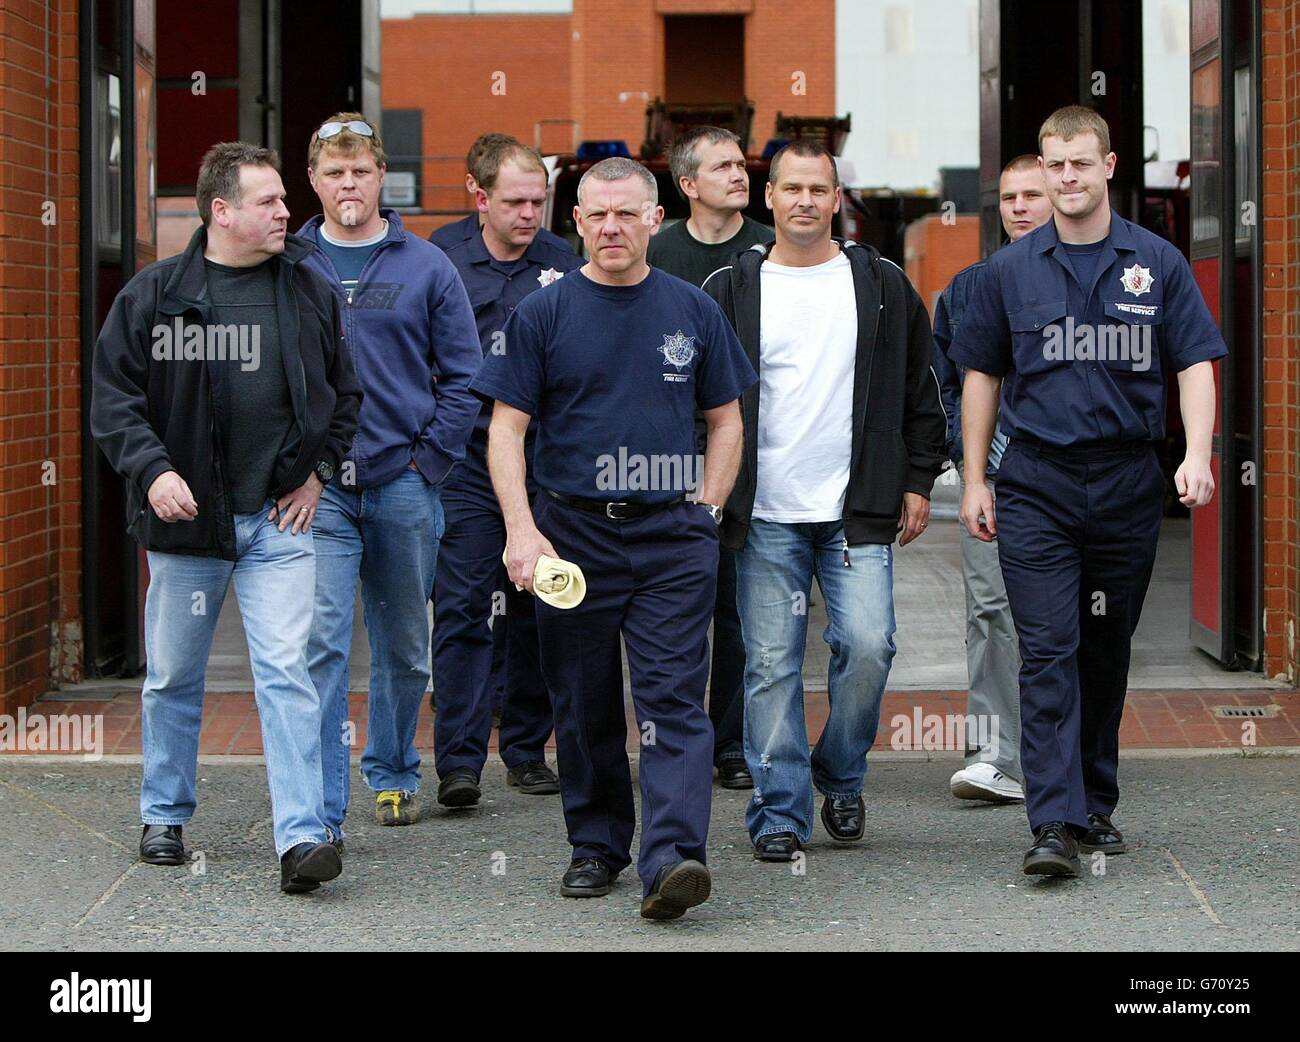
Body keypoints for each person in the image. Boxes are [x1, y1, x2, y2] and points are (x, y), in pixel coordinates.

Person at [471, 157, 756, 920]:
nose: (611, 228)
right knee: (583, 699)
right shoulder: (545, 313)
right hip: (570, 536)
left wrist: (707, 507)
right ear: (578, 221)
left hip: (671, 537)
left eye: (627, 214)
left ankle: (674, 859)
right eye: (597, 214)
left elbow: (727, 419)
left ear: (654, 218)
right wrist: (522, 531)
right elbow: (506, 431)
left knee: (672, 699)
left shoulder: (692, 310)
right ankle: (596, 847)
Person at [951, 106, 1224, 877]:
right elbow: (981, 375)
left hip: (1127, 484)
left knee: (1104, 651)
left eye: (1080, 162)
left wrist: (1197, 454)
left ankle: (1094, 802)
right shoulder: (1009, 272)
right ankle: (1053, 821)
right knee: (1047, 650)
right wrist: (975, 478)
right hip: (1036, 484)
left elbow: (1195, 362)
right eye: (1054, 164)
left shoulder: (1157, 263)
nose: (1066, 176)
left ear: (1107, 167)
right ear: (1042, 171)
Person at [90, 142, 362, 893]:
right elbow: (114, 402)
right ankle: (165, 813)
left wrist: (316, 474)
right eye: (270, 201)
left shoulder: (307, 289)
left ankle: (303, 838)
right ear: (222, 211)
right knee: (174, 675)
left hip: (280, 526)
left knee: (287, 673)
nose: (286, 213)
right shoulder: (154, 296)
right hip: (189, 529)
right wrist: (154, 469)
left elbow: (346, 395)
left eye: (283, 200)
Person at [702, 140, 946, 862]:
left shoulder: (880, 283)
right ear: (767, 197)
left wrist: (916, 480)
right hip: (765, 514)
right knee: (770, 663)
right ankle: (779, 810)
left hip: (855, 509)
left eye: (820, 188)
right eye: (792, 187)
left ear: (838, 199)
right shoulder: (731, 288)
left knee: (868, 646)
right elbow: (701, 400)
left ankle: (839, 773)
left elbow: (920, 391)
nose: (806, 200)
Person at [298, 113, 482, 834]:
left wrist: (426, 459)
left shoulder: (426, 264)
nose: (349, 183)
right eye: (335, 172)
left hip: (402, 483)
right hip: (318, 492)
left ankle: (395, 770)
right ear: (313, 180)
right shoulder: (291, 263)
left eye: (361, 171)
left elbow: (465, 377)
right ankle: (318, 806)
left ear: (382, 178)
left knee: (406, 647)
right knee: (322, 647)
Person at [429, 137, 582, 807]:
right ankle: (459, 763)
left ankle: (525, 749)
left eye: (538, 202)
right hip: (465, 459)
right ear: (478, 195)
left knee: (540, 605)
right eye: (515, 202)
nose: (528, 214)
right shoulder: (439, 259)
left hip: (543, 463)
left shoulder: (565, 263)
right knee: (462, 609)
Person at [647, 125, 773, 790]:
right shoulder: (658, 252)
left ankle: (731, 743)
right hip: (666, 455)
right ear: (687, 184)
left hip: (750, 445)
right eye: (721, 167)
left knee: (738, 604)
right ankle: (671, 737)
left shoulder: (769, 248)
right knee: (674, 606)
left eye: (740, 164)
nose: (738, 174)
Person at [932, 155, 1053, 803]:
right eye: (1009, 197)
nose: (1020, 207)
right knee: (990, 612)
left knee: (1068, 616)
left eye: (1032, 195)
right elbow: (944, 387)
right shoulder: (969, 289)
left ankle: (1067, 753)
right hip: (995, 480)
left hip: (1070, 478)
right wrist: (968, 460)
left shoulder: (1090, 280)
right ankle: (994, 755)